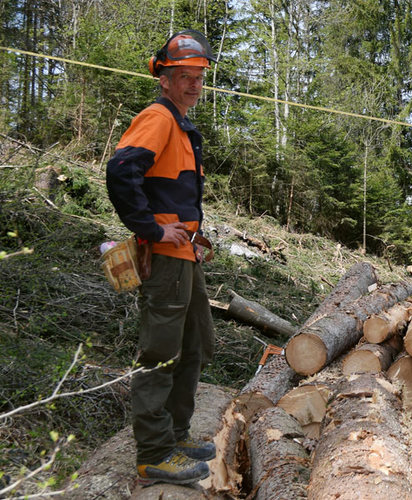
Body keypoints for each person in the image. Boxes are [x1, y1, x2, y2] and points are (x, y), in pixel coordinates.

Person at [105, 29, 218, 485]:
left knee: (196, 344)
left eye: (199, 76)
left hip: (184, 254)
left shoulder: (181, 124)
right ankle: (154, 452)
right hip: (165, 257)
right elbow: (120, 171)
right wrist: (150, 228)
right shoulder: (158, 118)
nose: (193, 84)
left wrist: (190, 235)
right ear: (164, 80)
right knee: (161, 353)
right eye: (183, 76)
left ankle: (175, 432)